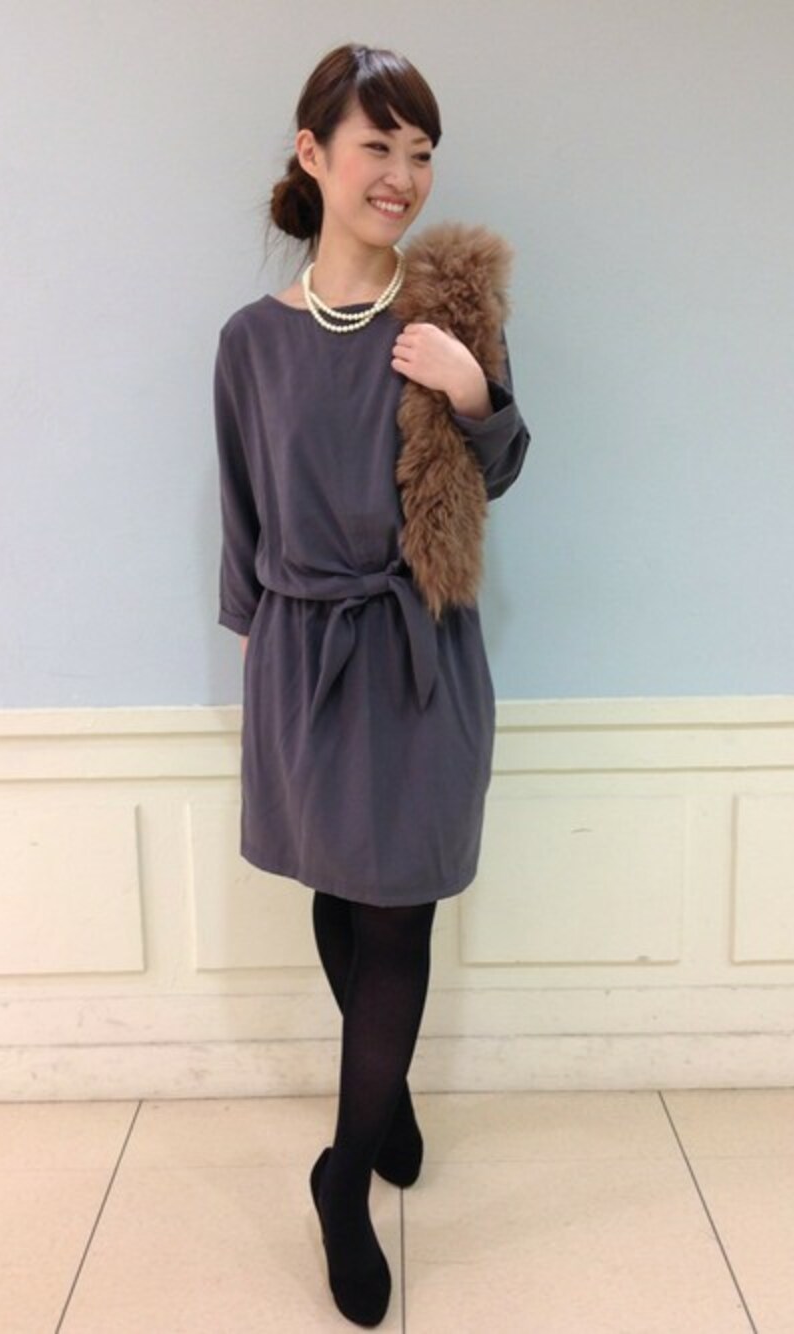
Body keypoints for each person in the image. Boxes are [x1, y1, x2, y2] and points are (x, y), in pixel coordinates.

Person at [213, 42, 530, 1328]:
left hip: (416, 650)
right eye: (376, 146)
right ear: (314, 155)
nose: (400, 174)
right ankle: (382, 1098)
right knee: (340, 891)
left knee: (400, 908)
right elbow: (241, 517)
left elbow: (502, 462)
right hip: (304, 655)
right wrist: (256, 658)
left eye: (420, 152)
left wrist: (471, 387)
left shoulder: (446, 310)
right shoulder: (250, 341)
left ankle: (341, 1179)